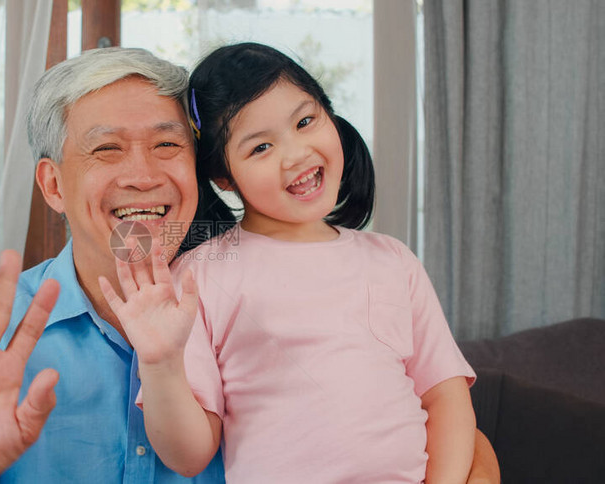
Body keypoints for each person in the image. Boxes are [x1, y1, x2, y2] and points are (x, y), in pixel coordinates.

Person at [0, 46, 498, 484]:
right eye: (107, 149)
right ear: (54, 185)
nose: (143, 176)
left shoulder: (252, 287)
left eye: (168, 145)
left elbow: (420, 416)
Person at [99, 42, 478, 483]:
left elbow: (445, 395)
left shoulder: (393, 260)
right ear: (223, 177)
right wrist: (161, 366)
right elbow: (189, 456)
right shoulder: (200, 274)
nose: (296, 154)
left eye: (305, 121)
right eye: (260, 148)